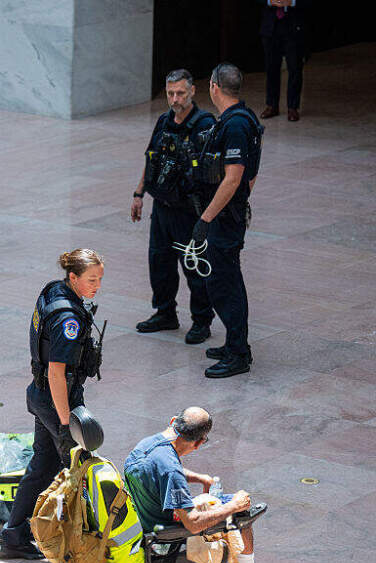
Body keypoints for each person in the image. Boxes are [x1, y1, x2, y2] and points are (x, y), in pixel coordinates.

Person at [0, 249, 105, 559]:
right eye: (91, 280)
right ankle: (75, 538)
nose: (96, 286)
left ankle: (14, 535)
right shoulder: (68, 319)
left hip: (40, 393)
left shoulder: (53, 290)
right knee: (76, 468)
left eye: (99, 279)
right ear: (73, 278)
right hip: (57, 400)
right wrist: (65, 422)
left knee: (43, 464)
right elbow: (57, 373)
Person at [124, 407, 287, 563]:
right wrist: (232, 506)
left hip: (148, 520)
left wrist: (197, 478)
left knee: (222, 505)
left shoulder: (146, 445)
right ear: (200, 443)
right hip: (169, 540)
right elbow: (192, 523)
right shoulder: (171, 470)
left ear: (173, 420)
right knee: (241, 517)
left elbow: (160, 468)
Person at [189, 63, 263, 378]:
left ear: (214, 87)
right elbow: (250, 175)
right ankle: (234, 342)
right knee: (222, 281)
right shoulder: (242, 120)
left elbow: (234, 178)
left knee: (225, 284)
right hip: (228, 213)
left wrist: (206, 219)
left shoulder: (235, 125)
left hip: (223, 218)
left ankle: (238, 354)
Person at [132, 69, 215, 345]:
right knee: (159, 262)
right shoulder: (164, 121)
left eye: (180, 93)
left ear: (192, 91)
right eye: (170, 93)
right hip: (162, 208)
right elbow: (151, 157)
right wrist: (139, 193)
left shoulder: (204, 124)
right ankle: (165, 313)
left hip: (188, 210)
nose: (175, 99)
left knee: (193, 266)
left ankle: (201, 321)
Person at [259, 0, 309, 122]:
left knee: (295, 68)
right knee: (271, 68)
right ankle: (272, 105)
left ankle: (293, 107)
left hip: (293, 27)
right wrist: (270, 2)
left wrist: (291, 2)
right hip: (271, 26)